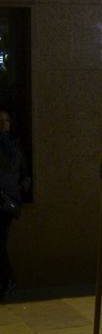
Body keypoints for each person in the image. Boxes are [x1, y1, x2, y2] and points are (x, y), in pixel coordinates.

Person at [0, 108, 31, 301]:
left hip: (8, 202)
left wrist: (18, 190)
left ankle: (8, 280)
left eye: (6, 121)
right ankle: (7, 281)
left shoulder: (15, 148)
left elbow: (26, 175)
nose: (3, 124)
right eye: (0, 121)